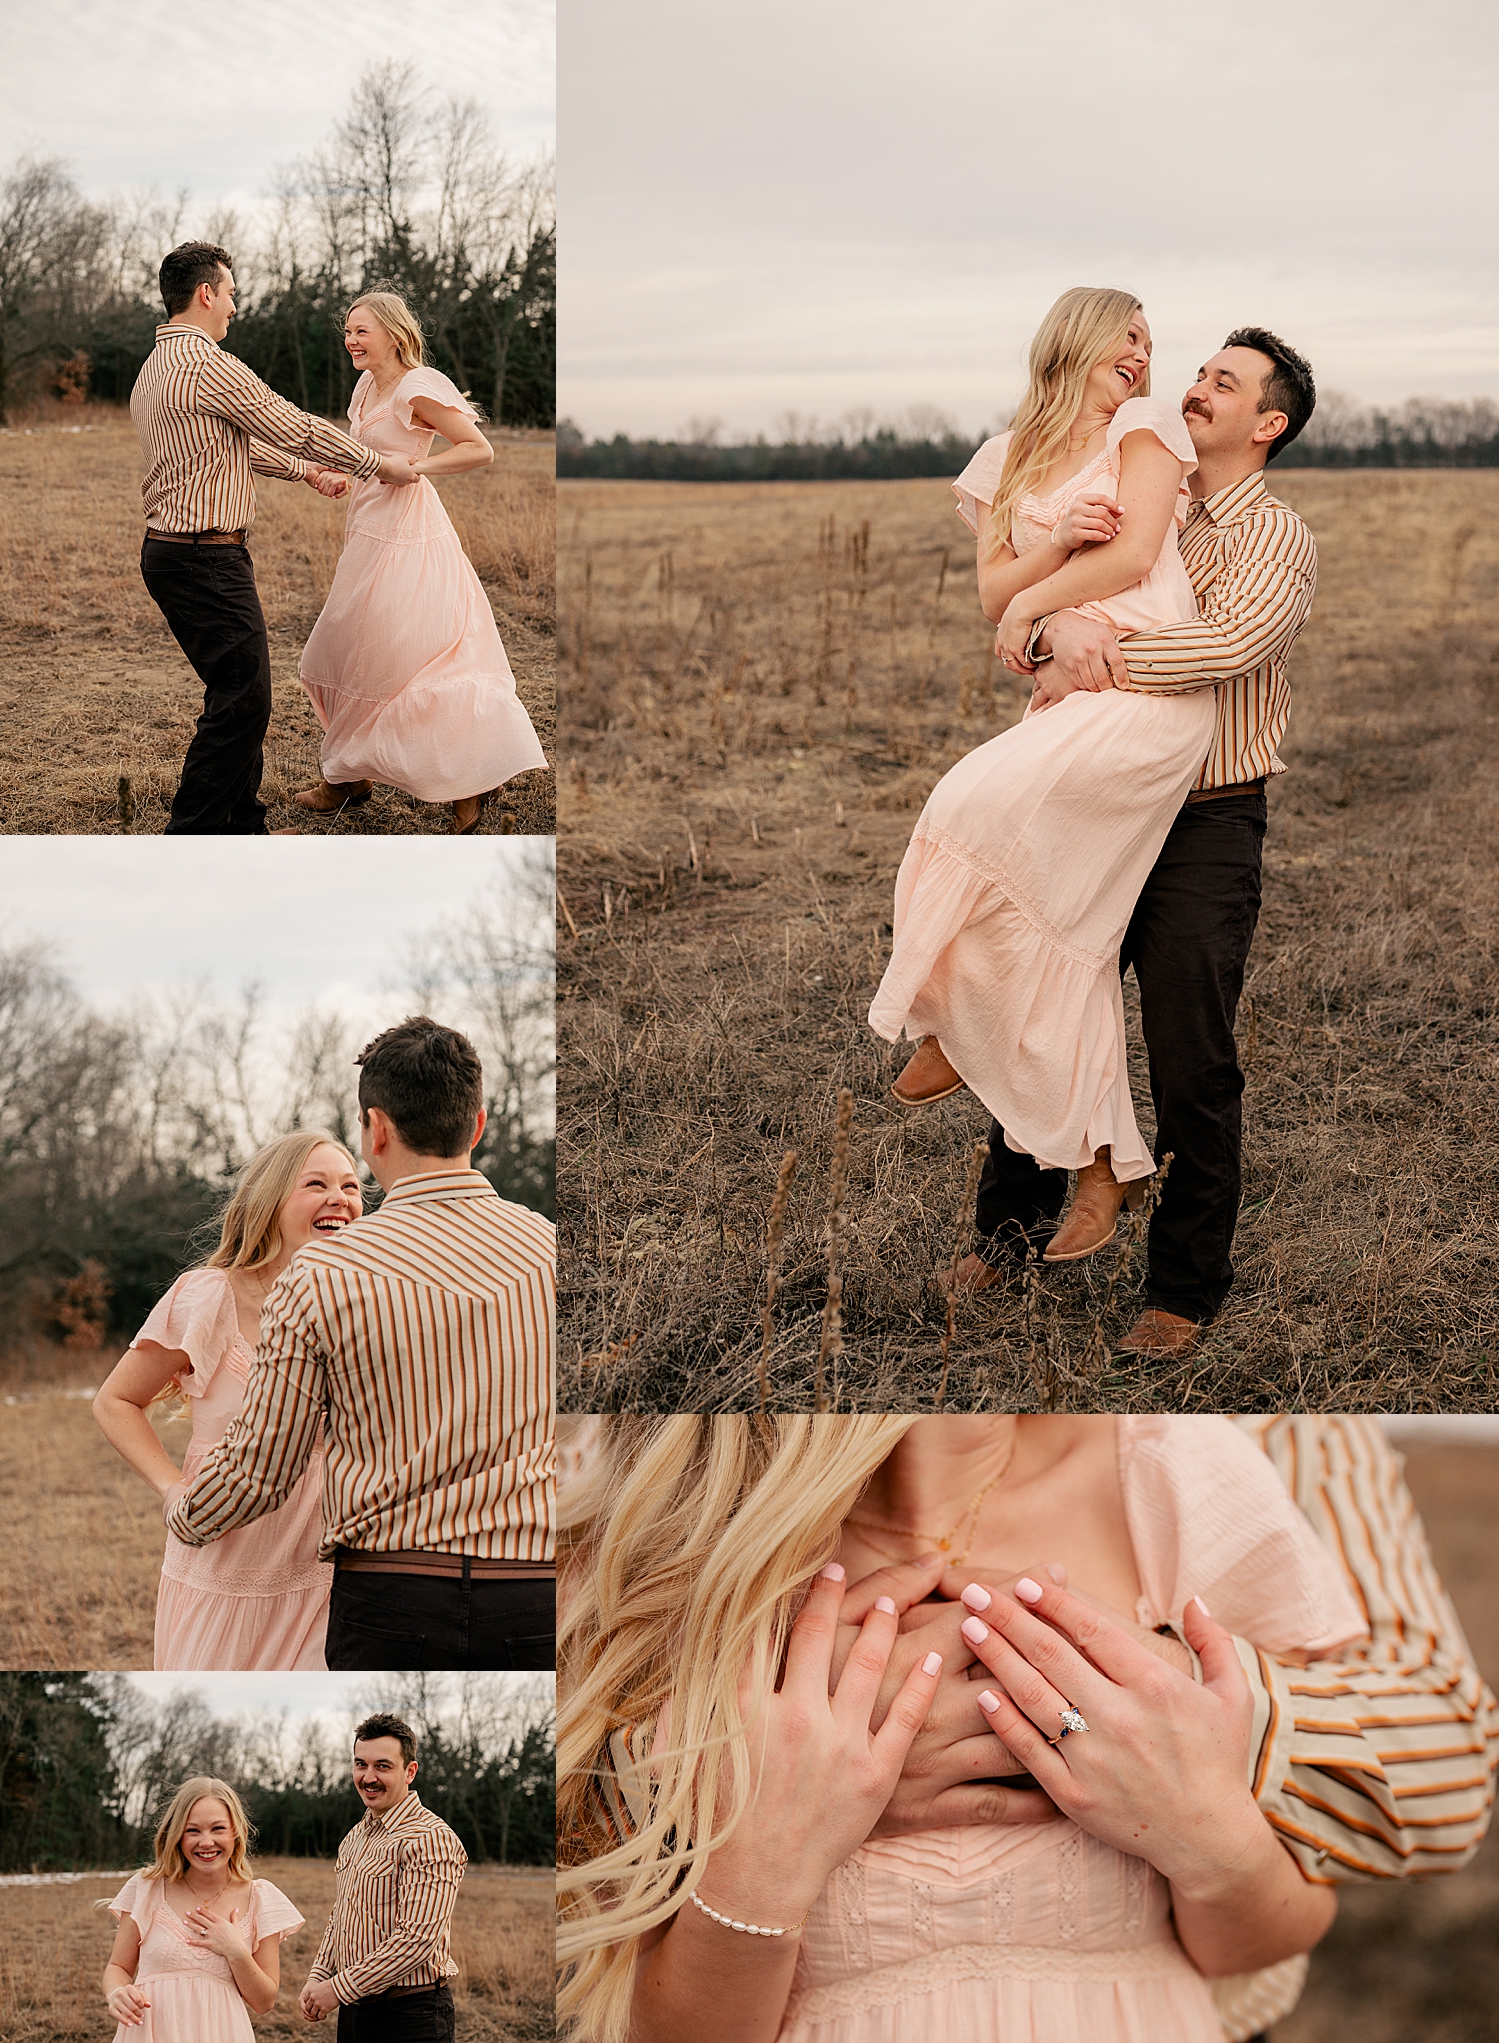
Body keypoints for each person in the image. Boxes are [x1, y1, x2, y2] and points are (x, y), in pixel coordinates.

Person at [556, 1414, 1499, 2043]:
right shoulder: (679, 1533)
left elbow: (1270, 1925)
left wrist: (1153, 1719)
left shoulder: (1177, 1475)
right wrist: (771, 1837)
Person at [949, 323, 1320, 1358]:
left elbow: (1226, 645)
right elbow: (1027, 626)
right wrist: (1044, 623)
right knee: (1045, 1004)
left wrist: (1085, 642)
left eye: (1225, 383)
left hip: (1204, 818)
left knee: (1191, 1052)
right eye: (1198, 372)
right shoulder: (1138, 490)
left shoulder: (1272, 533)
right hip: (1099, 797)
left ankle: (1183, 1285)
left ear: (1269, 422)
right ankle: (1009, 1229)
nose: (1196, 388)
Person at [870, 287, 1225, 1266]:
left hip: (1146, 686)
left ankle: (950, 1014)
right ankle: (1103, 1159)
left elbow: (1142, 552)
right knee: (1068, 931)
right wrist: (1055, 552)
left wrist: (1030, 615)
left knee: (971, 807)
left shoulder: (1147, 430)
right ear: (1076, 335)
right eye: (1130, 333)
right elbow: (991, 584)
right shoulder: (1007, 457)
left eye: (1151, 342)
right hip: (1068, 694)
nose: (1146, 355)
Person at [164, 1018, 555, 1671]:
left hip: (391, 1597)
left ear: (375, 1129)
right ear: (479, 1124)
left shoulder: (322, 1274)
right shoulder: (550, 1250)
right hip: (538, 1588)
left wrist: (186, 1512)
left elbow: (263, 1471)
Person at [130, 242, 418, 836]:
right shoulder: (208, 364)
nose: (234, 305)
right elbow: (292, 424)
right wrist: (374, 464)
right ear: (206, 294)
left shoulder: (155, 367)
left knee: (237, 690)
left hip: (172, 553)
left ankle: (243, 829)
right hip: (204, 555)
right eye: (231, 293)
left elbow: (222, 446)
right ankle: (195, 835)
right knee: (244, 699)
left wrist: (305, 472)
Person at [92, 1132, 362, 1670]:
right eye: (317, 1184)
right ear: (270, 1201)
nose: (341, 1198)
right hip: (222, 1568)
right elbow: (115, 1400)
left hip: (325, 1579)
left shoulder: (361, 1308)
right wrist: (172, 1488)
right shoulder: (209, 1295)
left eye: (352, 1186)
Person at [294, 290, 548, 834]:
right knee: (347, 645)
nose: (350, 340)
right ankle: (349, 776)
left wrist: (414, 469)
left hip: (409, 530)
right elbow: (370, 452)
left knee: (411, 654)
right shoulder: (367, 384)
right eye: (348, 330)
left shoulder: (416, 385)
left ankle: (469, 785)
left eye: (361, 331)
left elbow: (478, 448)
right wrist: (349, 473)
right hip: (367, 526)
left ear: (392, 332)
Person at [298, 1714, 467, 2040]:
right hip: (354, 2009)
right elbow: (343, 1916)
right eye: (361, 1764)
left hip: (410, 2015)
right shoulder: (355, 1837)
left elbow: (416, 1939)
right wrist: (319, 1975)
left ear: (410, 1772)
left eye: (383, 1766)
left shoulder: (430, 1838)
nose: (368, 1777)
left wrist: (337, 1989)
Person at [103, 1776, 304, 2039]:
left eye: (218, 1828)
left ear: (236, 1831)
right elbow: (118, 1967)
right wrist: (117, 1993)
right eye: (193, 1830)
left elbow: (264, 2002)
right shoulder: (147, 1888)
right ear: (176, 1835)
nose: (206, 1842)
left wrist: (237, 1952)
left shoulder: (260, 1898)